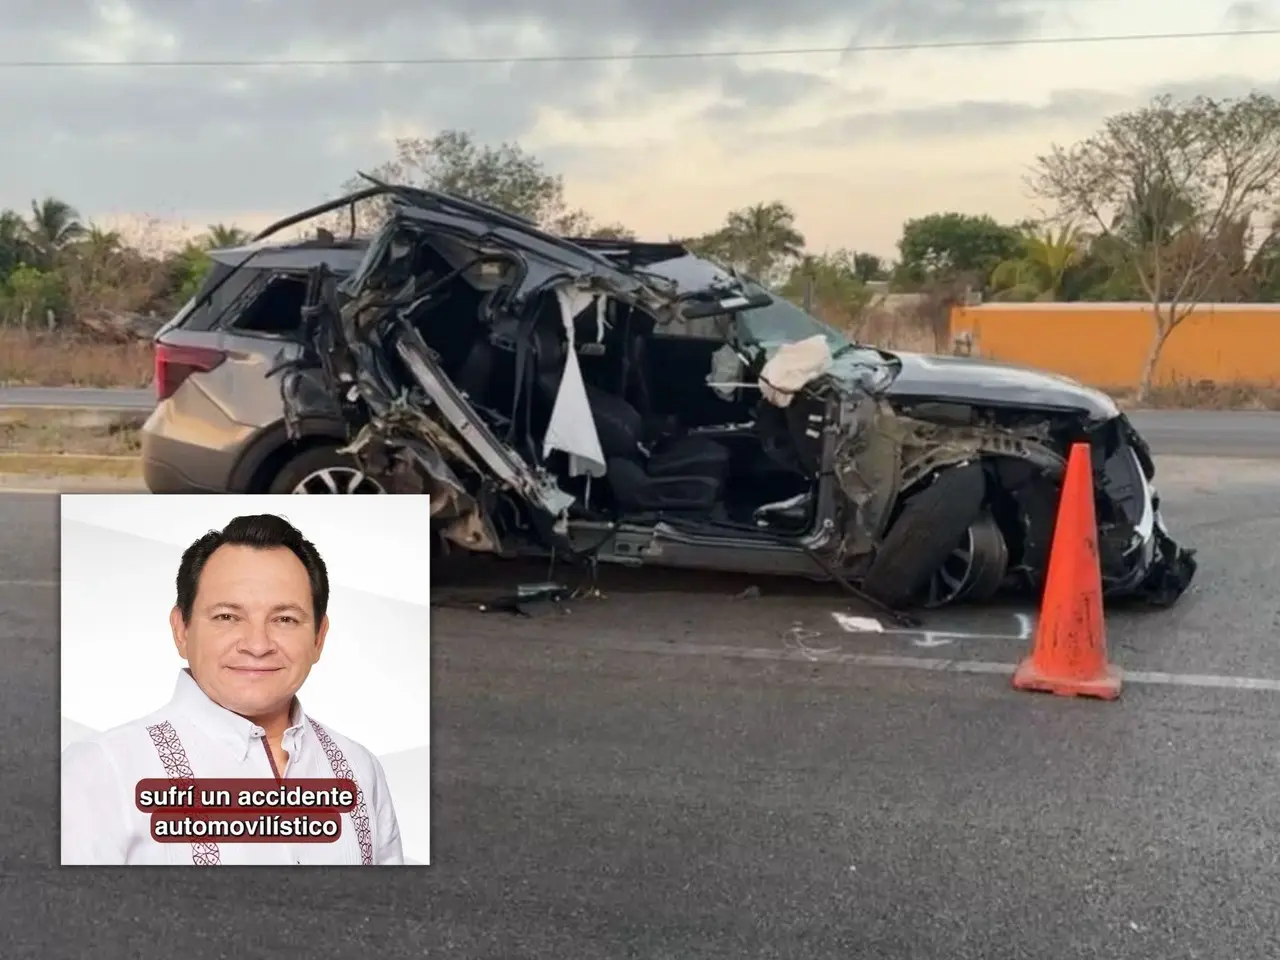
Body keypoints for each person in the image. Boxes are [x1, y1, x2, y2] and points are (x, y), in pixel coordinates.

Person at [60, 513, 404, 866]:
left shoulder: (359, 769)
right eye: (227, 617)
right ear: (182, 629)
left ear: (319, 637)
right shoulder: (101, 772)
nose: (257, 645)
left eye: (284, 619)